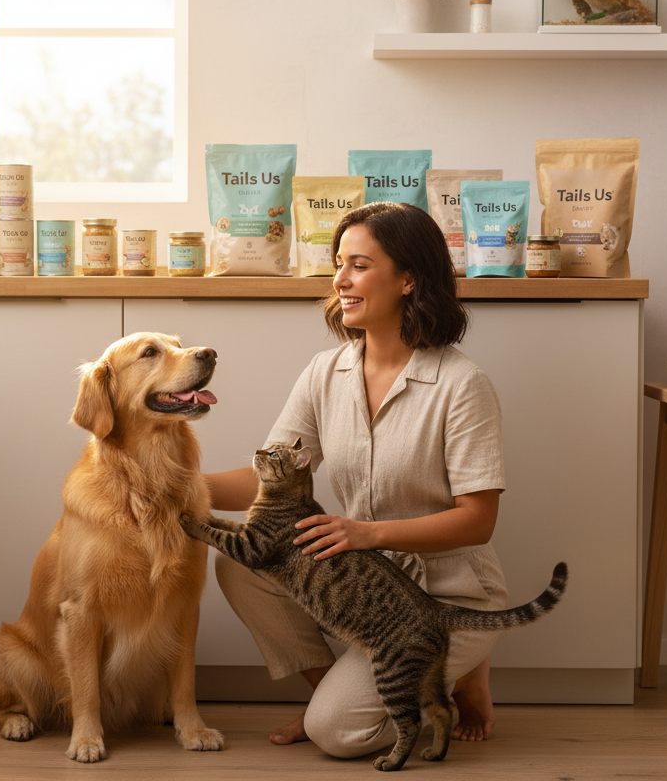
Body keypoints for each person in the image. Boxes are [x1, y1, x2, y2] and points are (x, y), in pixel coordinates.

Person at [204, 201, 508, 758]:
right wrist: (177, 488)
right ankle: (343, 695)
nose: (339, 280)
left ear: (409, 278)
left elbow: (478, 520)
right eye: (337, 263)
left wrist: (369, 534)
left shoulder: (463, 385)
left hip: (448, 593)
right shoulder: (326, 372)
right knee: (241, 565)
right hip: (367, 591)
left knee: (338, 736)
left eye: (359, 265)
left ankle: (452, 674)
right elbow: (270, 479)